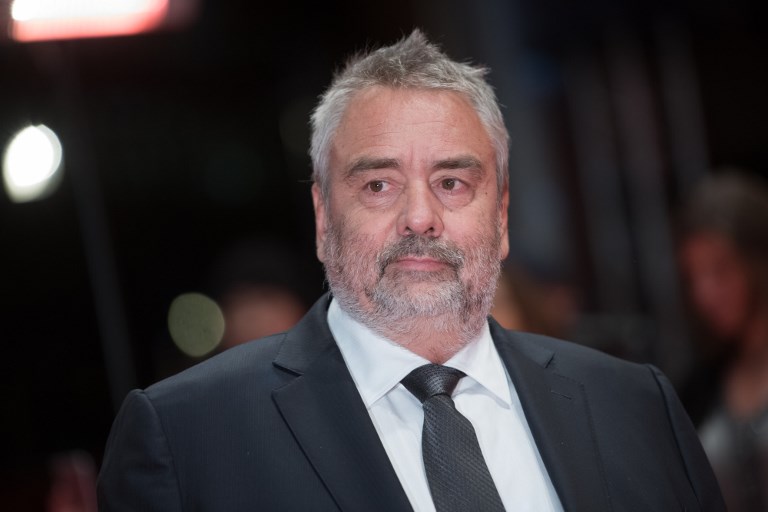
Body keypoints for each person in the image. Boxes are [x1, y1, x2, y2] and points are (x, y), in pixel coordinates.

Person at [97, 30, 724, 511]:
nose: (420, 218)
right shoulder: (186, 437)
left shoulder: (636, 406)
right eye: (378, 185)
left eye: (452, 183)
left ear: (501, 216)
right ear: (323, 217)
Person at [678, 170, 768, 512]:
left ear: (756, 263)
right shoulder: (699, 388)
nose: (704, 294)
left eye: (720, 270)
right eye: (693, 277)